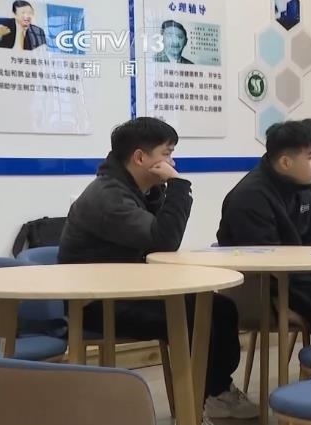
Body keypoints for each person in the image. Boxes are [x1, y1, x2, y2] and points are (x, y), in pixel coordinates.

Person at [58, 117, 258, 421]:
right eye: (166, 153)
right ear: (140, 158)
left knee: (219, 309)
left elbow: (158, 242)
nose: (171, 163)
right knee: (197, 315)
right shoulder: (108, 197)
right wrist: (178, 185)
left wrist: (159, 190)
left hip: (128, 290)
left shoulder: (134, 190)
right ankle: (198, 402)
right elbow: (163, 240)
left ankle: (214, 391)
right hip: (97, 303)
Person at [217, 120, 311, 326]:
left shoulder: (300, 187)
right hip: (269, 287)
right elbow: (266, 261)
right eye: (310, 158)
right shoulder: (250, 197)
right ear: (285, 162)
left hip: (300, 275)